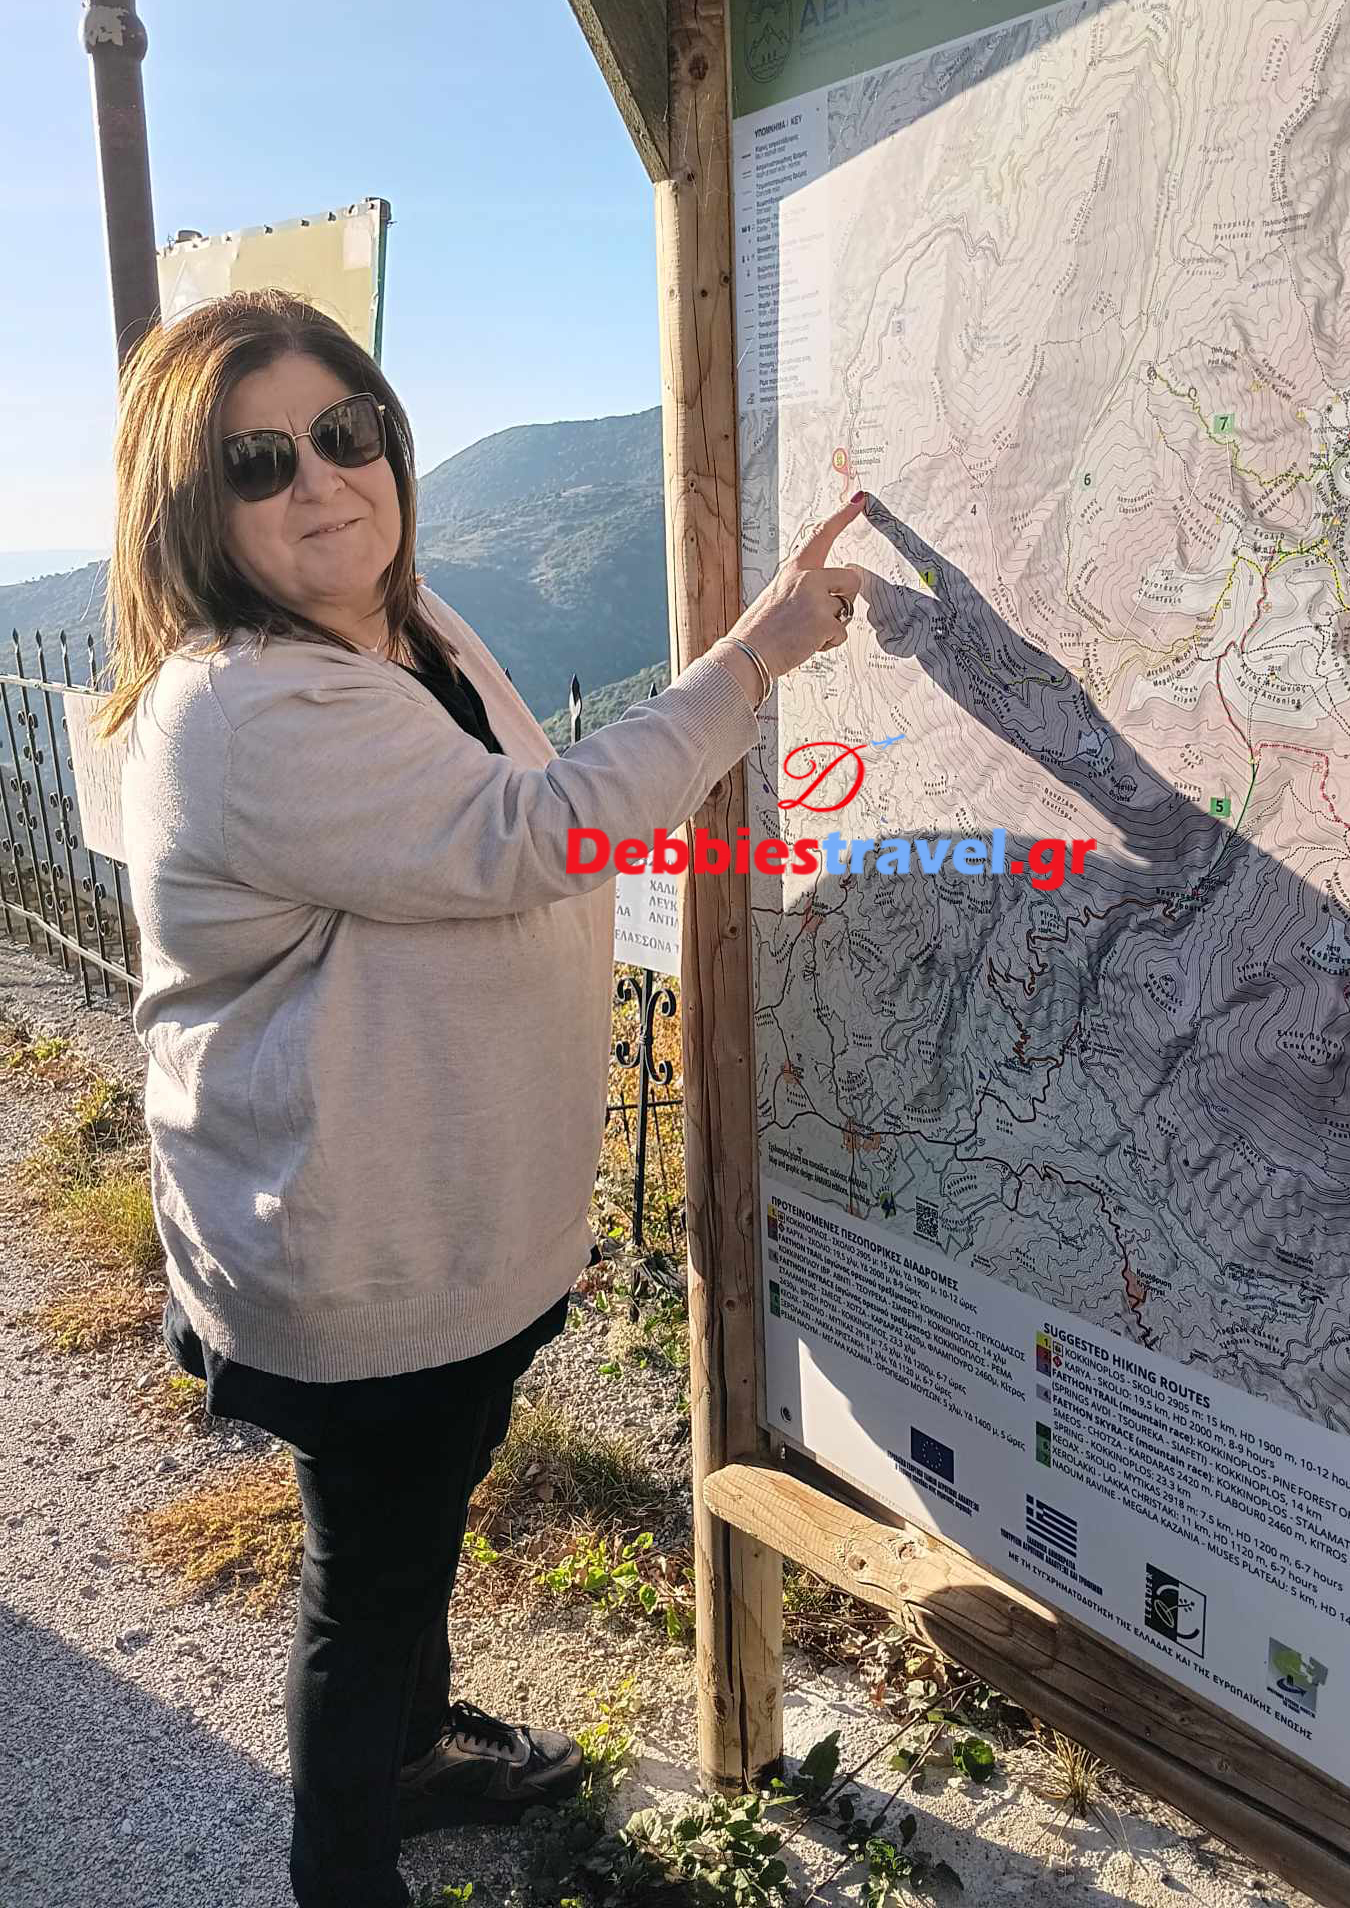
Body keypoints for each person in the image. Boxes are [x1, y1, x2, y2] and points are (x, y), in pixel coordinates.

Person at [103, 287, 869, 1908]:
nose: (322, 482)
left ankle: (411, 1752)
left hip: (438, 1225)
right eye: (256, 462)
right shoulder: (250, 704)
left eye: (343, 432)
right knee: (369, 1584)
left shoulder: (404, 624)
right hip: (358, 1250)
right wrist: (753, 660)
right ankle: (347, 1866)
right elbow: (539, 832)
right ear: (189, 506)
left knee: (416, 1522)